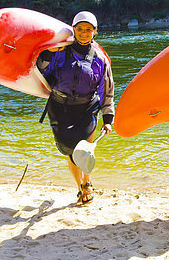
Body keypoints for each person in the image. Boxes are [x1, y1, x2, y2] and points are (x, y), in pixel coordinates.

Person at [37, 11, 115, 205]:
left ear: (95, 32)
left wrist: (108, 119)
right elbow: (39, 68)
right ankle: (79, 185)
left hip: (86, 108)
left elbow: (108, 90)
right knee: (70, 151)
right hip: (59, 108)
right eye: (79, 29)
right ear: (73, 30)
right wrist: (46, 53)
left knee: (85, 149)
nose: (83, 33)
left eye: (88, 29)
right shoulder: (59, 50)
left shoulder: (99, 59)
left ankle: (87, 183)